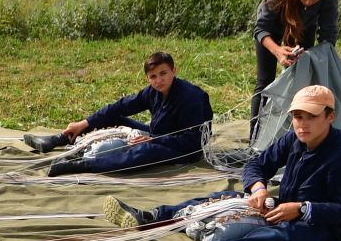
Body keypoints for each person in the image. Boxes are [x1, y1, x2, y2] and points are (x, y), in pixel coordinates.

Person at [102, 85, 341, 241]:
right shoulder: (295, 138)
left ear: (330, 117)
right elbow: (257, 164)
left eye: (311, 116)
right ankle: (154, 216)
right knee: (224, 198)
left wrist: (301, 209)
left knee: (280, 237)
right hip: (284, 206)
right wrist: (259, 188)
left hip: (320, 225)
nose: (302, 123)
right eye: (298, 116)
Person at [27, 52, 213, 174]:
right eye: (153, 77)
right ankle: (59, 138)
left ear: (174, 71)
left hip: (183, 150)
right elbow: (121, 106)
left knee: (145, 150)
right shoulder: (153, 91)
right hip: (156, 135)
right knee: (113, 116)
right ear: (148, 78)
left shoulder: (191, 97)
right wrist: (84, 123)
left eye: (163, 73)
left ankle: (84, 165)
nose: (159, 80)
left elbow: (193, 142)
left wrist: (154, 140)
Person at [251, 0, 339, 139]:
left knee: (304, 79)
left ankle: (298, 134)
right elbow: (261, 30)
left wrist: (313, 59)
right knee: (265, 81)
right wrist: (278, 51)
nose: (309, 1)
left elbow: (328, 35)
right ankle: (256, 138)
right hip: (272, 28)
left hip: (305, 27)